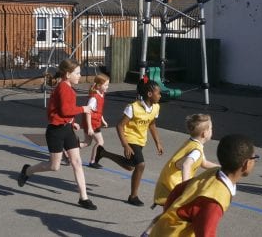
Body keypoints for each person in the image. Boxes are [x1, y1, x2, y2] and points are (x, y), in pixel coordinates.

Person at [17, 59, 97, 210]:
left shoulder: (67, 88)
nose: (80, 76)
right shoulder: (63, 88)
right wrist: (83, 109)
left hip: (67, 129)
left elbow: (63, 111)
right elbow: (65, 110)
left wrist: (71, 122)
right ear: (68, 74)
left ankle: (83, 197)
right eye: (77, 73)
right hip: (55, 131)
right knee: (54, 167)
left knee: (77, 162)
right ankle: (27, 171)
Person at [149, 134, 258, 237]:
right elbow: (206, 234)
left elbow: (178, 190)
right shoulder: (215, 199)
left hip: (164, 230)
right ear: (246, 164)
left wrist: (168, 214)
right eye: (255, 158)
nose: (255, 161)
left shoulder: (214, 172)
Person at [141, 114, 220, 237]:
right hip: (172, 186)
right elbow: (186, 165)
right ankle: (150, 234)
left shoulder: (194, 144)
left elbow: (203, 163)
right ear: (204, 133)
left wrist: (220, 168)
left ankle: (147, 234)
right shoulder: (196, 150)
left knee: (168, 215)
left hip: (169, 182)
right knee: (173, 216)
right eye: (211, 128)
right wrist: (187, 187)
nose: (212, 131)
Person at [94, 77, 163, 206]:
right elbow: (119, 125)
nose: (160, 95)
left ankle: (103, 153)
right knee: (140, 165)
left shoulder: (156, 108)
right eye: (158, 93)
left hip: (141, 139)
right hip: (130, 138)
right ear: (149, 94)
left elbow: (152, 124)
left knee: (130, 166)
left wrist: (157, 142)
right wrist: (125, 145)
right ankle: (133, 196)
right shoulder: (133, 107)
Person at [80, 73, 110, 169]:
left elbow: (98, 110)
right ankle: (93, 161)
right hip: (92, 123)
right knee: (100, 142)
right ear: (99, 85)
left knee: (87, 142)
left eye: (108, 85)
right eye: (105, 85)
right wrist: (89, 127)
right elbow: (88, 112)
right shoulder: (94, 98)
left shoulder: (101, 94)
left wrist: (103, 119)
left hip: (95, 121)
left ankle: (68, 150)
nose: (107, 87)